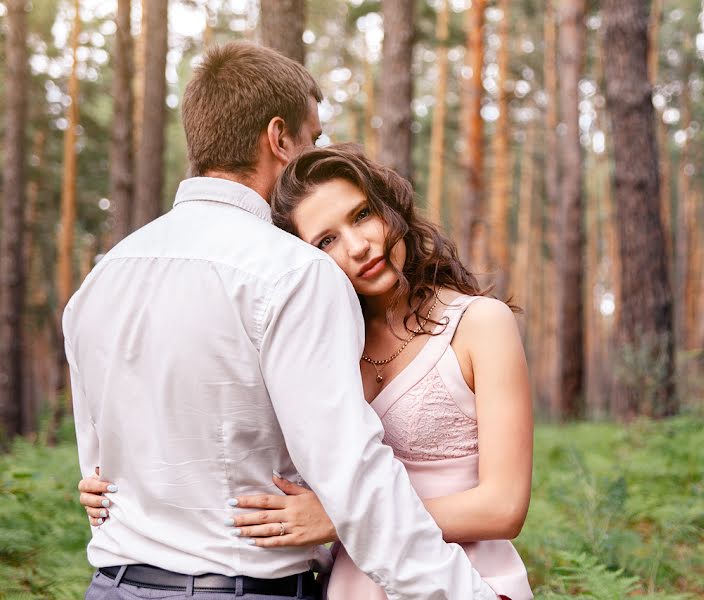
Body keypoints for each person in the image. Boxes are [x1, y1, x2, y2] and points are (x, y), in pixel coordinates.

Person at [65, 41, 499, 600]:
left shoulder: (100, 280)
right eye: (312, 138)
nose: (315, 152)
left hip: (114, 585)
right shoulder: (293, 272)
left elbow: (99, 477)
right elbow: (354, 474)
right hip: (240, 587)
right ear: (278, 138)